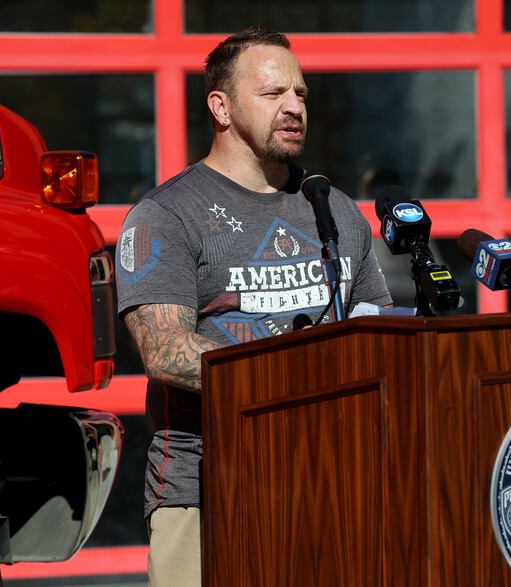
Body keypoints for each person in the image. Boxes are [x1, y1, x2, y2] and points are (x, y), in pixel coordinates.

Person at [115, 26, 393, 586]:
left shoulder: (333, 210)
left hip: (332, 478)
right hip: (205, 486)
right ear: (221, 106)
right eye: (273, 94)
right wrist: (299, 373)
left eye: (301, 95)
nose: (294, 108)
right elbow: (166, 352)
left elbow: (378, 332)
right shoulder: (165, 215)